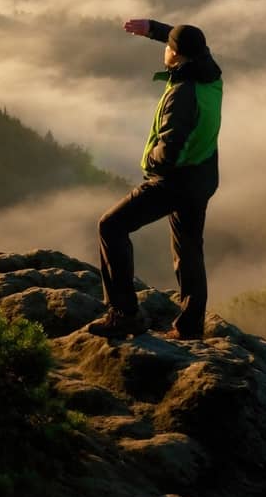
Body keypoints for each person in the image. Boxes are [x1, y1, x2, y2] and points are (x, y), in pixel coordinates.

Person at [84, 18, 222, 341]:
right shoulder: (210, 73)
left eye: (168, 47)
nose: (166, 51)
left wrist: (148, 159)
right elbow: (186, 40)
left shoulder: (183, 95)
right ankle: (190, 327)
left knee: (111, 226)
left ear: (175, 55)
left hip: (173, 182)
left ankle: (125, 314)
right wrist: (154, 30)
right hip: (202, 177)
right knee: (189, 249)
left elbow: (170, 151)